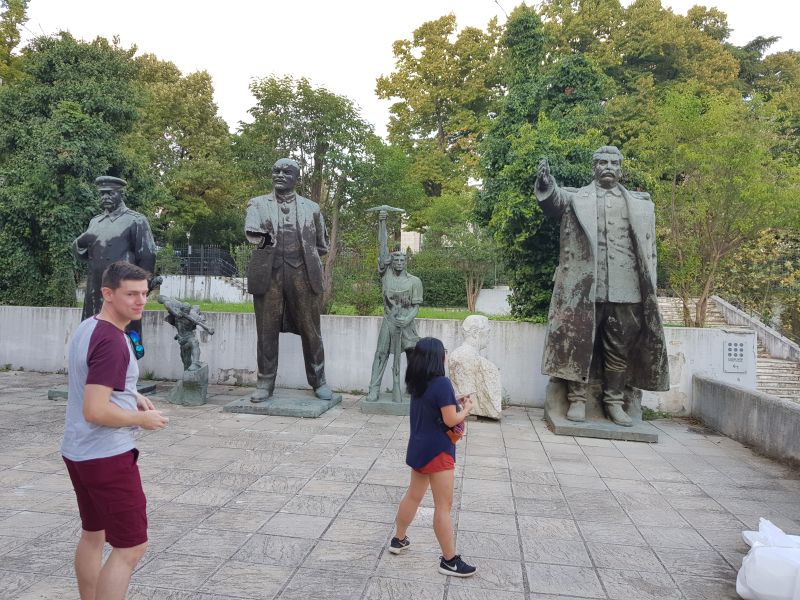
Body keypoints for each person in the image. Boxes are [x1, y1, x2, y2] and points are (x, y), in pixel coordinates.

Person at [535, 146, 669, 426]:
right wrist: (547, 184)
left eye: (614, 162)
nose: (608, 166)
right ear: (594, 167)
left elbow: (649, 251)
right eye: (602, 162)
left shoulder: (641, 204)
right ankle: (578, 400)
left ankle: (615, 402)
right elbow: (554, 201)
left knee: (619, 348)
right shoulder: (576, 197)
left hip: (626, 287)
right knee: (579, 343)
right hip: (585, 287)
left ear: (621, 168)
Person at [61, 261, 169, 600]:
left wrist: (129, 393)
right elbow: (95, 410)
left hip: (78, 451)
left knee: (94, 535)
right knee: (131, 547)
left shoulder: (90, 327)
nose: (140, 302)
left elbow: (92, 378)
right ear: (107, 294)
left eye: (144, 293)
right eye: (131, 294)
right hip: (106, 457)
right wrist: (141, 420)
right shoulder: (113, 342)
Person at [244, 158, 333, 402]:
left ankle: (319, 381)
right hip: (268, 274)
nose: (280, 175)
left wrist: (303, 257)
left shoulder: (312, 208)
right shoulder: (258, 204)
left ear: (296, 178)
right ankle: (264, 383)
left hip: (303, 274)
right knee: (266, 331)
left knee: (311, 330)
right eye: (276, 171)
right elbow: (252, 232)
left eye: (287, 171)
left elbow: (321, 245)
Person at [389, 337, 477, 577]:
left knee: (413, 496)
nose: (446, 355)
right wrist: (467, 409)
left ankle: (398, 539)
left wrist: (454, 400)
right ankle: (449, 560)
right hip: (439, 452)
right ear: (437, 357)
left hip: (419, 449)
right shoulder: (441, 383)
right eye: (444, 352)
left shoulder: (418, 382)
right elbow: (450, 420)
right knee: (443, 506)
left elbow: (436, 406)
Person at [72, 176, 157, 339]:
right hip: (96, 287)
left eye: (110, 193)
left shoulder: (136, 220)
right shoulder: (95, 221)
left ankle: (126, 357)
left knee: (123, 333)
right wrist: (81, 241)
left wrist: (140, 288)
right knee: (93, 330)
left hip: (123, 287)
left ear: (120, 194)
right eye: (102, 194)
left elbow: (147, 255)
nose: (105, 197)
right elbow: (81, 254)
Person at [366, 208, 423, 402]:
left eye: (402, 259)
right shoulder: (386, 274)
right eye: (395, 259)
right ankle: (373, 388)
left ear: (406, 261)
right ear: (391, 262)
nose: (398, 262)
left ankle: (412, 388)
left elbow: (416, 306)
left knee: (413, 354)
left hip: (407, 324)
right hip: (389, 321)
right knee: (381, 354)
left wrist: (407, 318)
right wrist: (383, 222)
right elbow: (382, 246)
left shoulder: (415, 281)